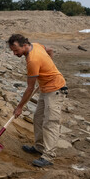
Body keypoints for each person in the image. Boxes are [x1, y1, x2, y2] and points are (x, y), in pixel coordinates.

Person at [8, 34, 67, 167]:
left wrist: (19, 107)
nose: (14, 53)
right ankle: (39, 147)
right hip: (45, 88)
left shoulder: (32, 60)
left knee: (50, 122)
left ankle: (49, 156)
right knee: (38, 118)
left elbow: (30, 88)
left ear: (24, 45)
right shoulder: (36, 45)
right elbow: (50, 50)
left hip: (56, 89)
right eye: (12, 50)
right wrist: (48, 67)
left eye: (16, 50)